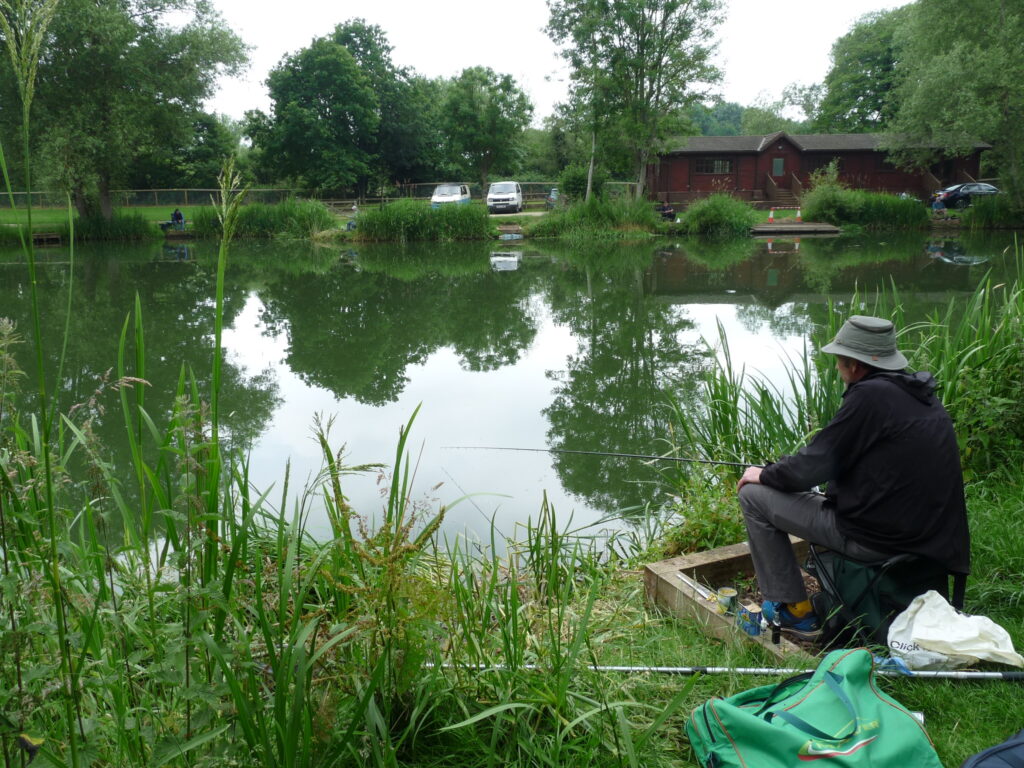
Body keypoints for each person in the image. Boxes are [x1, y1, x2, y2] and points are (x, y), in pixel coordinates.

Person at [736, 315, 970, 638]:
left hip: (877, 541)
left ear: (855, 366)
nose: (837, 369)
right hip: (928, 542)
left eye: (839, 362)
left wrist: (763, 473)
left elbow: (809, 468)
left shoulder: (868, 398)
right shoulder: (920, 395)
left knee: (753, 496)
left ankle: (797, 612)